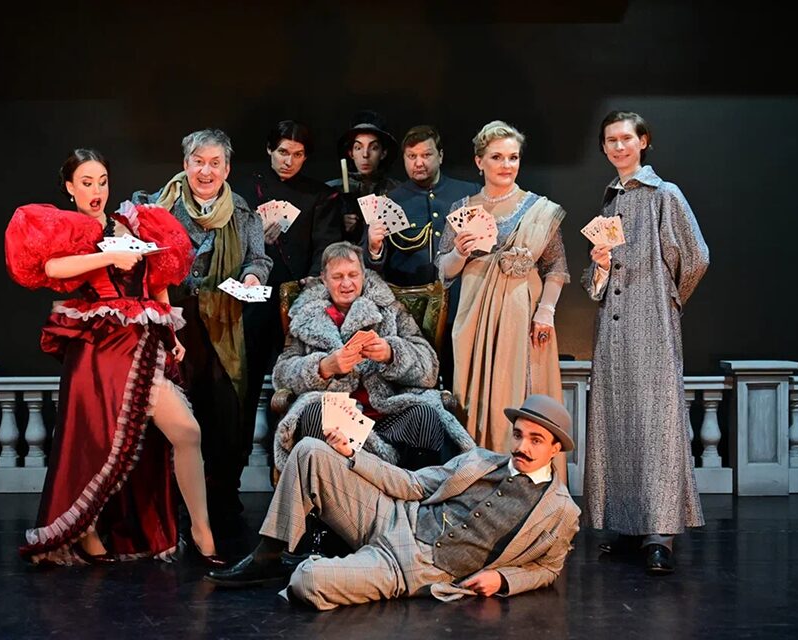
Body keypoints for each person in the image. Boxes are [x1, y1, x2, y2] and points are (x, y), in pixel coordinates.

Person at [4, 148, 223, 567]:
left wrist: (170, 330)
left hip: (141, 344)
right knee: (92, 446)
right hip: (99, 352)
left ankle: (202, 532)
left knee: (187, 431)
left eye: (102, 181)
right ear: (70, 188)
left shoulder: (132, 222)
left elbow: (156, 278)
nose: (97, 190)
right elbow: (52, 269)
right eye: (87, 183)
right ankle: (86, 532)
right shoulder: (71, 231)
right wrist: (108, 256)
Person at [206, 394, 580, 612]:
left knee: (308, 581)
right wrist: (351, 454)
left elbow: (548, 568)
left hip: (414, 567)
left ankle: (327, 565)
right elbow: (411, 484)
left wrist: (502, 579)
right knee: (309, 450)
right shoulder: (480, 460)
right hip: (393, 516)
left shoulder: (561, 511)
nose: (522, 447)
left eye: (535, 440)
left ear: (555, 448)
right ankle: (270, 554)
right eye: (518, 435)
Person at [581, 110, 709, 575]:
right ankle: (626, 523)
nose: (619, 147)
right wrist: (599, 266)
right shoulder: (608, 202)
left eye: (626, 139)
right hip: (612, 332)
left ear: (643, 142)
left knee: (657, 424)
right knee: (617, 422)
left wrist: (668, 299)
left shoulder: (664, 195)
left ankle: (659, 533)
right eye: (610, 140)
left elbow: (696, 257)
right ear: (603, 148)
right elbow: (593, 285)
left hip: (652, 324)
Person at [132, 129, 272, 524]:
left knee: (226, 413)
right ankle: (170, 506)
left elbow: (258, 259)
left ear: (226, 169)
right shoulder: (159, 206)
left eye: (214, 163)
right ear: (185, 164)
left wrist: (252, 278)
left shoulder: (242, 212)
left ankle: (221, 502)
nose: (206, 171)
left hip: (225, 322)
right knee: (175, 411)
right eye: (198, 162)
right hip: (175, 321)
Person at [436, 120, 569, 481]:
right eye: (497, 157)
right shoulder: (463, 207)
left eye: (513, 157)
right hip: (474, 317)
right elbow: (444, 271)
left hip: (522, 316)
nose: (506, 165)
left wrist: (545, 312)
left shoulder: (538, 208)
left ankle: (529, 483)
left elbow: (556, 268)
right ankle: (479, 482)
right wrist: (460, 253)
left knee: (522, 394)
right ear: (479, 161)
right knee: (474, 400)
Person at [270, 241, 475, 472]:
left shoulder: (390, 309)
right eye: (337, 277)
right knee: (317, 414)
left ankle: (411, 490)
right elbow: (282, 374)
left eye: (353, 275)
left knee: (425, 415)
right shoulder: (304, 317)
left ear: (363, 275)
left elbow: (429, 368)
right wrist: (323, 367)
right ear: (324, 279)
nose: (346, 283)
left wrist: (392, 354)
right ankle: (335, 490)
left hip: (388, 412)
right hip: (339, 418)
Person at [242, 120, 342, 457]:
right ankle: (238, 461)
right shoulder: (246, 190)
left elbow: (326, 245)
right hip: (254, 300)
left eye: (297, 155)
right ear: (270, 149)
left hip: (299, 303)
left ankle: (296, 458)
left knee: (299, 382)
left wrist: (312, 279)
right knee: (246, 381)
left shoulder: (320, 194)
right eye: (283, 152)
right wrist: (256, 239)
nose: (289, 161)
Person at [365, 124, 478, 387]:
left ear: (440, 155)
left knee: (463, 383)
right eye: (411, 156)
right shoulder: (389, 201)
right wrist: (374, 246)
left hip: (461, 305)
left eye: (426, 155)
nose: (419, 163)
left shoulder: (468, 193)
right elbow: (371, 266)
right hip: (412, 313)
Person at [327, 110, 400, 242]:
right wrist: (339, 225)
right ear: (351, 153)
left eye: (374, 148)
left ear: (383, 153)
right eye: (358, 147)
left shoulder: (396, 190)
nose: (365, 155)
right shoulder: (331, 191)